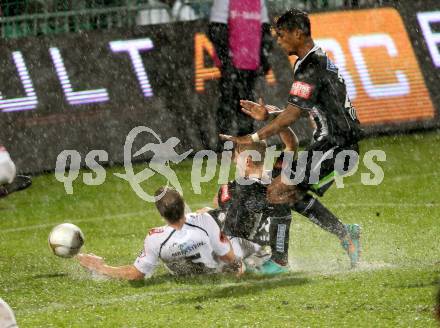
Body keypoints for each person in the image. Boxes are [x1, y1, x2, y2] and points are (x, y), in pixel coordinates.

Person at [224, 9, 362, 268]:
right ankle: (346, 234)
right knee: (284, 192)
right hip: (331, 143)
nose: (278, 40)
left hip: (338, 145)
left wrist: (254, 135)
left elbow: (292, 114)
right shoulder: (312, 62)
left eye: (281, 34)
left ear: (298, 33)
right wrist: (269, 115)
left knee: (277, 191)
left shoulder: (311, 66)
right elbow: (302, 110)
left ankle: (278, 261)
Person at [77, 187, 245, 280]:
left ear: (161, 214)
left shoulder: (155, 238)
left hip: (184, 275)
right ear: (184, 205)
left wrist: (100, 267)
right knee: (218, 212)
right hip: (214, 270)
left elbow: (134, 275)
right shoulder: (205, 220)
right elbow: (231, 260)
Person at [208, 0, 273, 141]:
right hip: (232, 64)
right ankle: (224, 145)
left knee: (246, 106)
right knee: (228, 105)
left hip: (250, 63)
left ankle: (244, 143)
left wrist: (264, 57)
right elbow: (216, 31)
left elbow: (266, 32)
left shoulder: (258, 2)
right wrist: (226, 60)